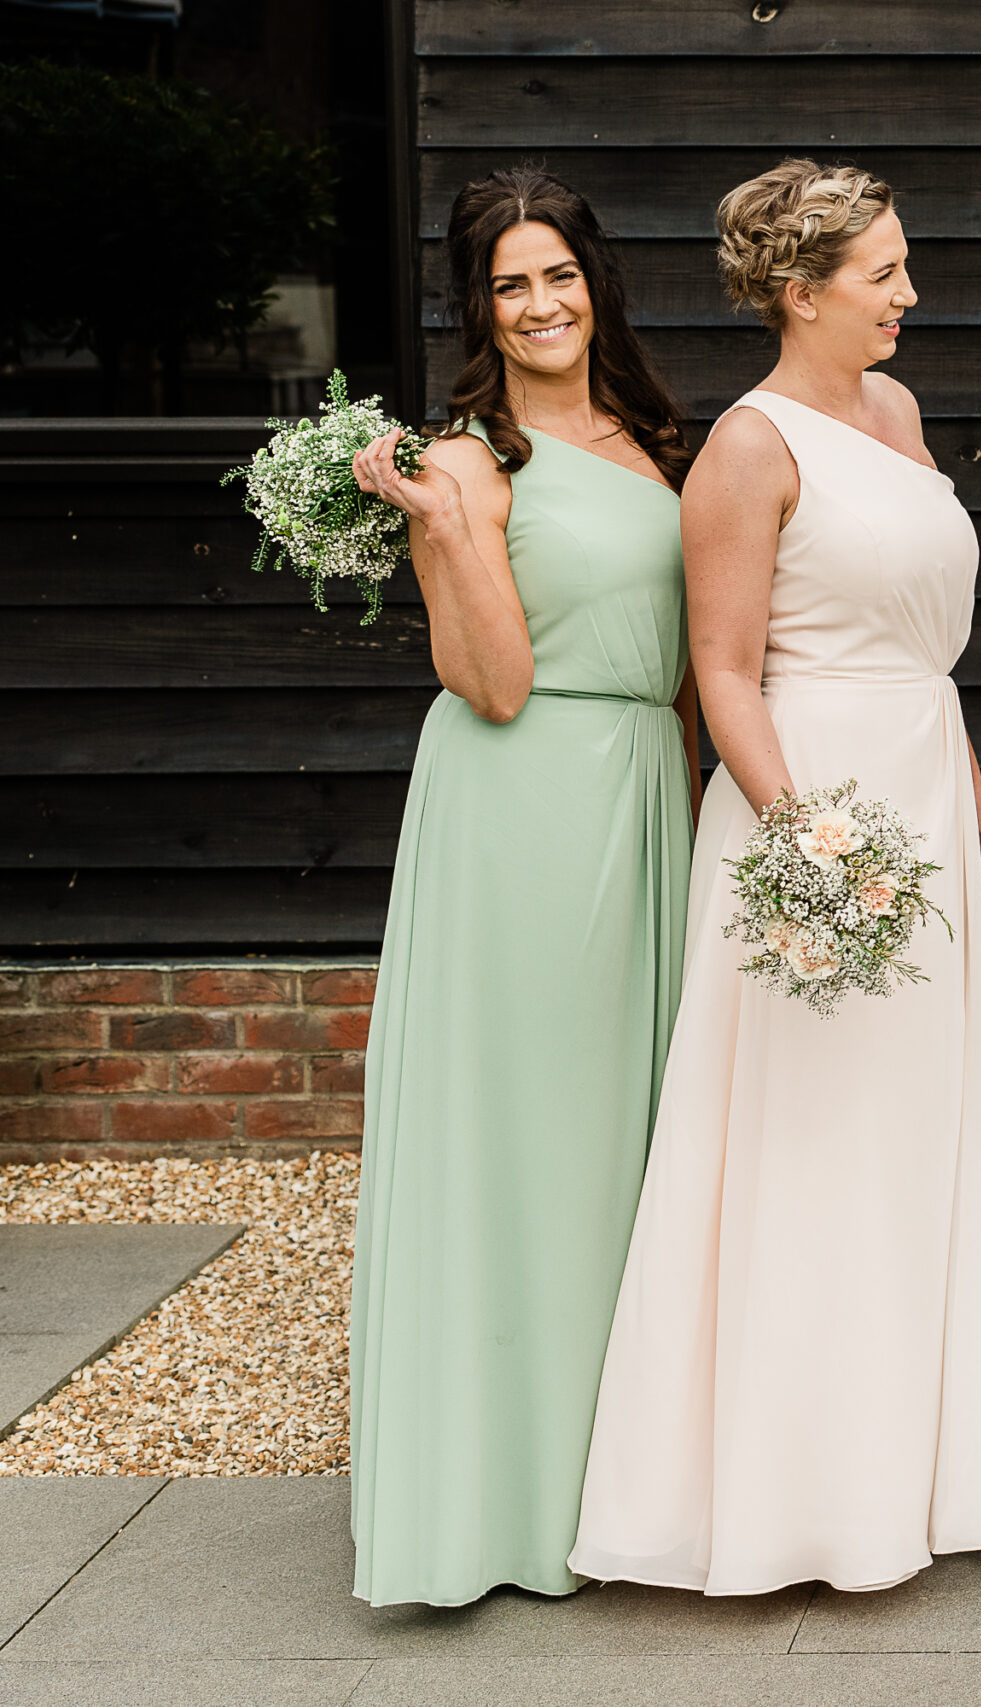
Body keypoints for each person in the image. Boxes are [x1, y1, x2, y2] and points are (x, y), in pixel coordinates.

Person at [569, 159, 981, 1596]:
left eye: (904, 265)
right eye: (883, 272)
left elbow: (914, 629)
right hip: (810, 810)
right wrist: (808, 842)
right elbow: (724, 669)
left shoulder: (898, 413)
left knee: (905, 1143)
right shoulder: (750, 449)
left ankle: (894, 1480)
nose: (909, 293)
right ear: (800, 290)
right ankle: (780, 1500)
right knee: (803, 1146)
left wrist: (970, 779)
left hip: (922, 785)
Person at [345, 165, 696, 1608]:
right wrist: (439, 527)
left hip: (644, 796)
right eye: (510, 285)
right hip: (524, 803)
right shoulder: (472, 458)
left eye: (558, 274)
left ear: (595, 281)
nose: (542, 304)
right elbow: (491, 681)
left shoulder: (653, 437)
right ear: (477, 308)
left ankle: (615, 1484)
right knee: (526, 1139)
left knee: (623, 1141)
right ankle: (494, 1502)